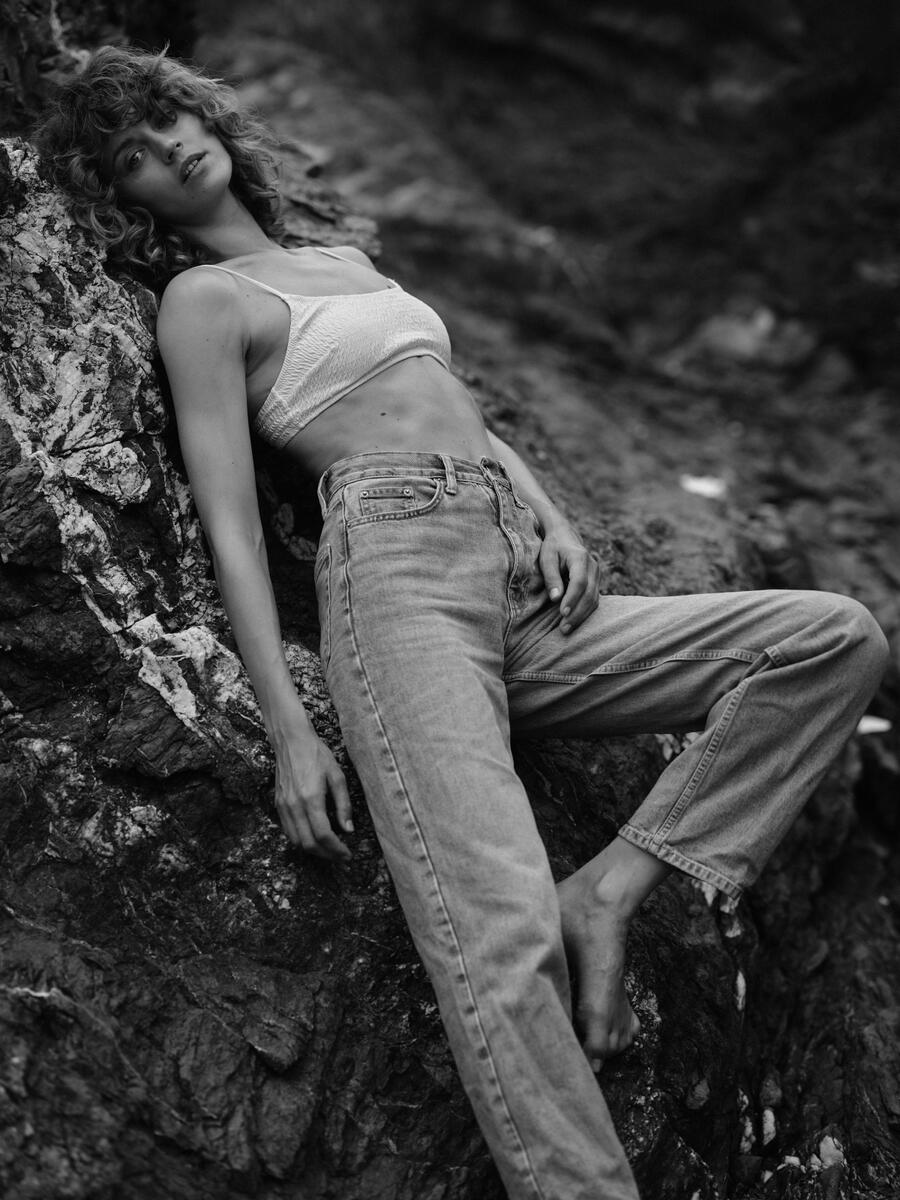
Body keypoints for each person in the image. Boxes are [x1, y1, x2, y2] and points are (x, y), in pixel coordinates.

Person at [37, 46, 890, 1200]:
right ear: (123, 195)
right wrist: (289, 729)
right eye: (133, 154)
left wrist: (546, 510)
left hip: (515, 581)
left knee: (831, 638)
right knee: (497, 933)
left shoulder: (340, 262)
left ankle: (612, 889)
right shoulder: (206, 302)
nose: (171, 148)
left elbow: (459, 410)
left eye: (168, 117)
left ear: (207, 115)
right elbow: (228, 520)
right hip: (399, 586)